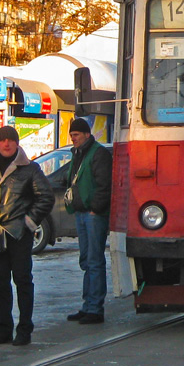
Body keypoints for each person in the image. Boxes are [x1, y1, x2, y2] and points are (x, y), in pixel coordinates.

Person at [0, 125, 53, 347]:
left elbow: (45, 197)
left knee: (23, 281)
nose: (6, 144)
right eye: (2, 140)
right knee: (0, 283)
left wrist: (28, 221)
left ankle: (24, 328)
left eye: (11, 140)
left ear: (17, 143)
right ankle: (3, 328)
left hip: (18, 235)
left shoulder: (29, 169)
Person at [64, 118, 112, 325]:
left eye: (75, 135)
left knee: (93, 260)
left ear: (86, 134)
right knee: (86, 259)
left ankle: (95, 307)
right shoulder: (79, 153)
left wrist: (95, 208)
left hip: (93, 215)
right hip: (82, 212)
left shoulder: (98, 153)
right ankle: (88, 305)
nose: (72, 138)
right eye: (71, 135)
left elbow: (104, 184)